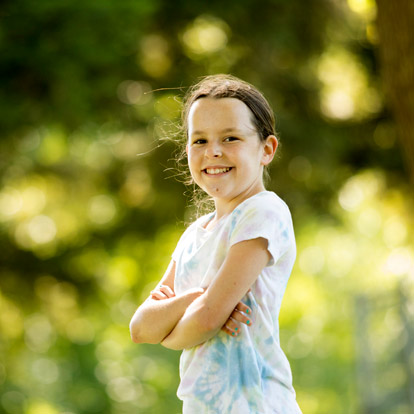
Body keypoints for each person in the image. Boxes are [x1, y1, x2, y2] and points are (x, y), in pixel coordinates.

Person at [129, 74, 302, 414]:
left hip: (257, 404)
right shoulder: (195, 234)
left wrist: (173, 326)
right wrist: (196, 298)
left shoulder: (264, 211)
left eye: (231, 137)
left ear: (266, 149)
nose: (214, 151)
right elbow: (140, 327)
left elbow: (207, 321)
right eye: (200, 141)